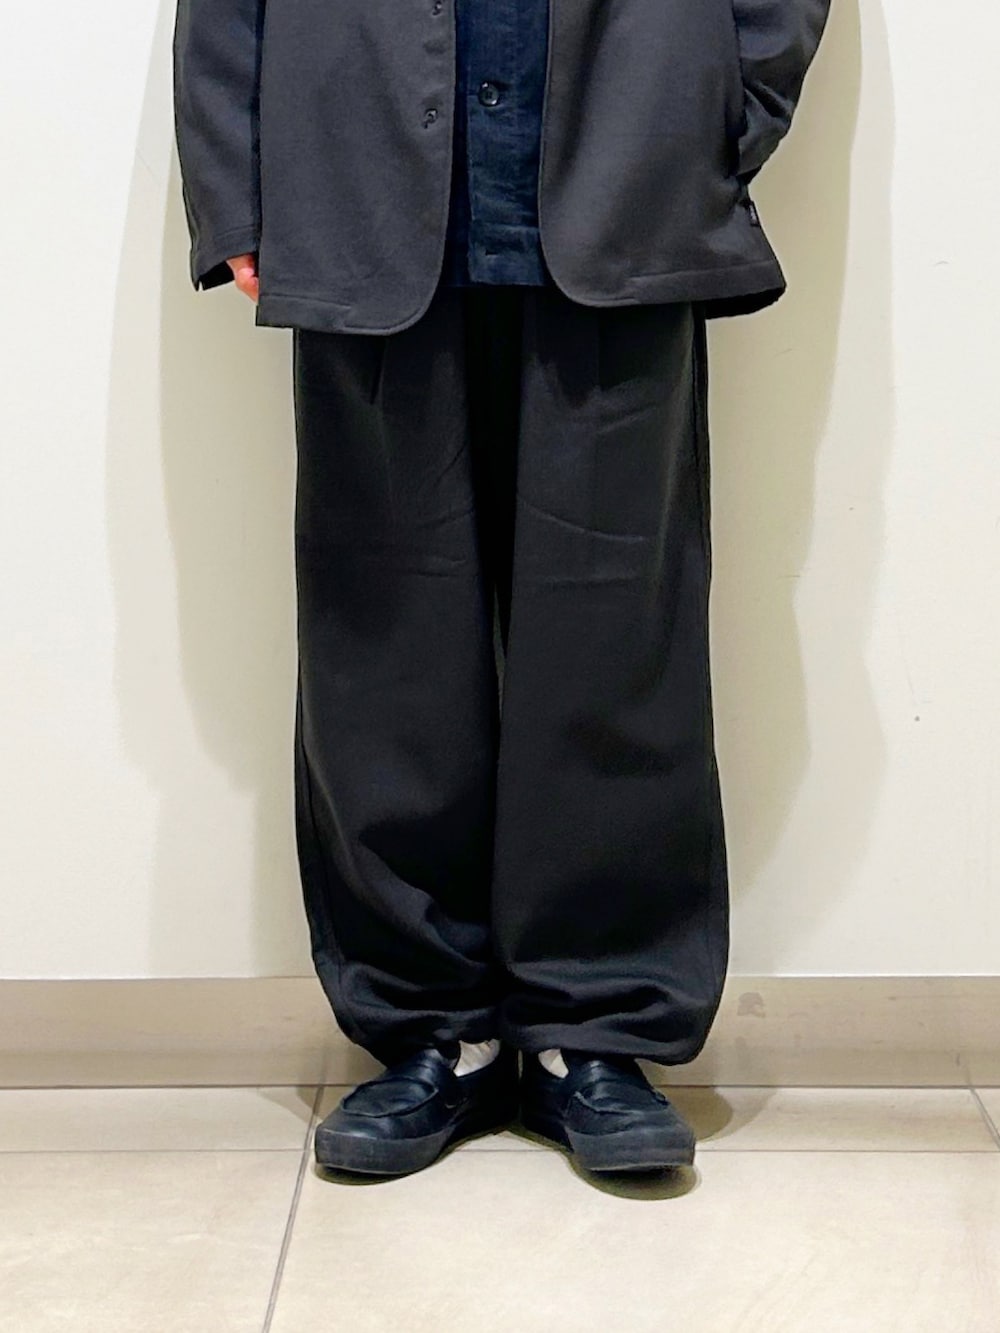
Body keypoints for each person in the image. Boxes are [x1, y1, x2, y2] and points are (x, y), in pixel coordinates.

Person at [172, 0, 831, 1177]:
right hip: (358, 174)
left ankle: (596, 1027)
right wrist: (237, 189)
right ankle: (434, 1028)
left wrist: (720, 108)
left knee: (613, 637)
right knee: (384, 642)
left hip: (623, 171)